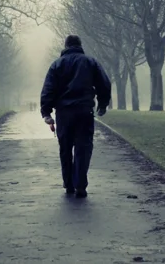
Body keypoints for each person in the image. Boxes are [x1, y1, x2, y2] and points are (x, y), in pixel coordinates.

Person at [40, 34, 112, 198]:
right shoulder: (90, 62)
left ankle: (68, 183)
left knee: (65, 148)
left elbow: (48, 89)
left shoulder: (57, 65)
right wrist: (102, 104)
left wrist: (46, 112)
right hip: (84, 110)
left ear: (65, 46)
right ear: (80, 45)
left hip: (64, 112)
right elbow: (104, 84)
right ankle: (80, 184)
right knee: (83, 147)